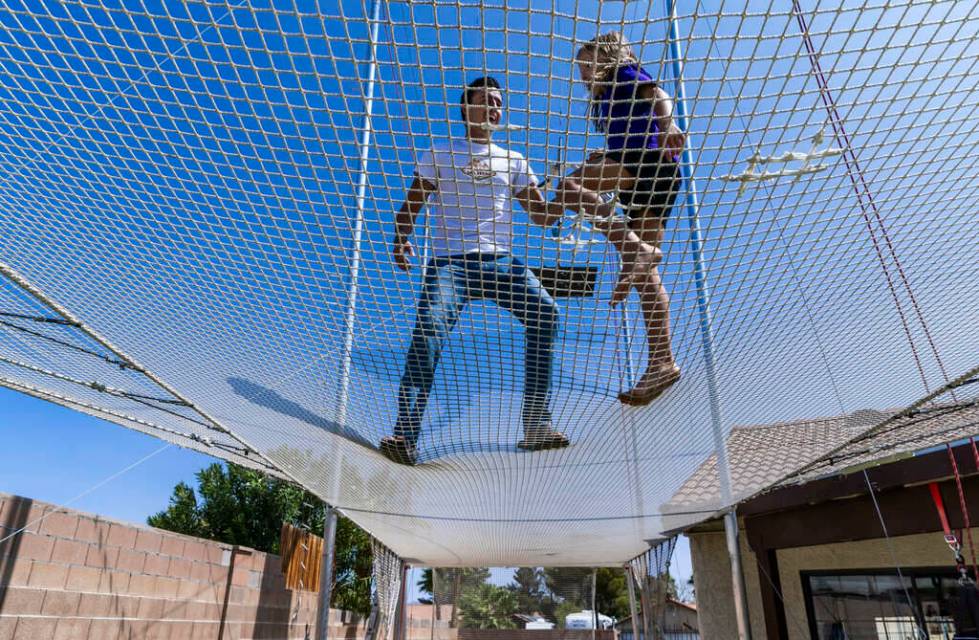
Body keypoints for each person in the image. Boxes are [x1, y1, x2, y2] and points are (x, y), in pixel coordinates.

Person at [383, 76, 589, 464]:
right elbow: (413, 201)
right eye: (485, 100)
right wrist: (400, 236)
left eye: (498, 102)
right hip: (450, 265)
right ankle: (404, 436)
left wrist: (567, 194)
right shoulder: (441, 153)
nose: (494, 107)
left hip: (500, 264)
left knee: (545, 312)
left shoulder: (513, 160)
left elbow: (543, 217)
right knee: (428, 334)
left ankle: (535, 425)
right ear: (466, 108)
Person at [552, 31, 686, 406]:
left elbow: (658, 95)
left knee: (567, 188)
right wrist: (604, 155)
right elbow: (627, 129)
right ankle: (663, 361)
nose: (582, 75)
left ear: (607, 58)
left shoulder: (623, 76)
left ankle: (631, 248)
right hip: (659, 178)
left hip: (644, 161)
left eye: (586, 65)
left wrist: (668, 125)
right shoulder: (607, 100)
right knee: (646, 277)